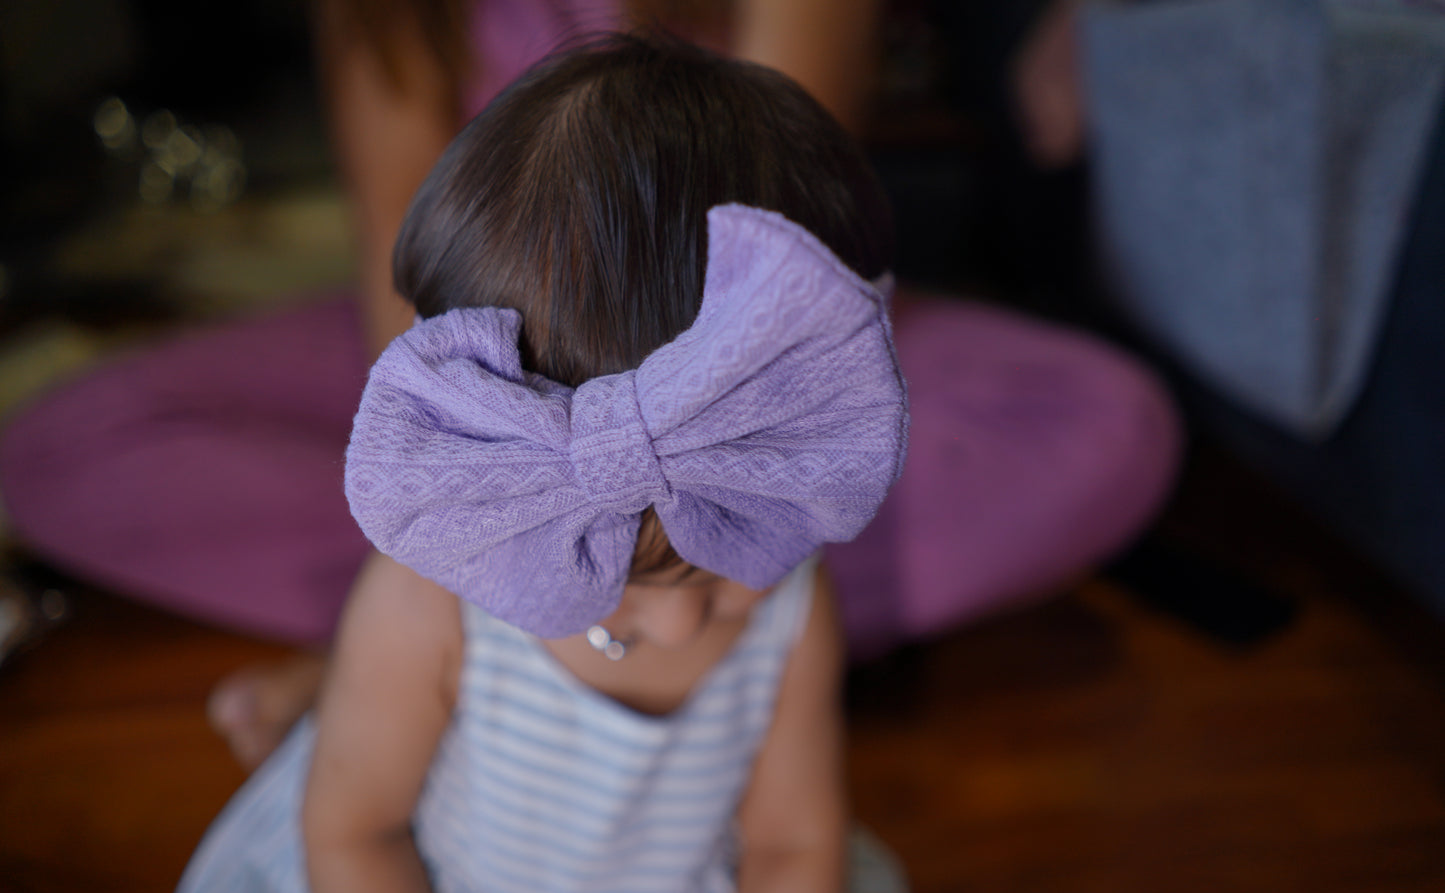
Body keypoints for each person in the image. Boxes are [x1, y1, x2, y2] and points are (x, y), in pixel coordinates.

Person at [0, 0, 1180, 767]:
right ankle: (451, 637)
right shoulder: (387, 21)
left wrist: (680, 502)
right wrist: (468, 513)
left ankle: (595, 630)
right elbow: (401, 310)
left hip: (745, 363)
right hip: (492, 373)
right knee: (58, 443)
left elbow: (790, 267)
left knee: (1101, 428)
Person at [156, 35, 939, 893]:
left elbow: (791, 847)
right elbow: (354, 837)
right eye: (628, 577)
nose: (688, 629)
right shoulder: (433, 599)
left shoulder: (800, 608)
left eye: (725, 570)